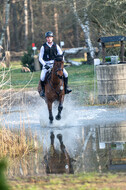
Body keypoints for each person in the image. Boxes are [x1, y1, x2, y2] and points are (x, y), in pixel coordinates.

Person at [39, 31, 72, 97]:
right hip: (47, 64)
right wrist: (45, 65)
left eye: (50, 37)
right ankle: (43, 91)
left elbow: (61, 55)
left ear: (52, 38)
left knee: (66, 74)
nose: (49, 39)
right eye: (48, 37)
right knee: (42, 77)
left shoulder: (56, 46)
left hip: (55, 64)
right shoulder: (43, 47)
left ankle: (66, 88)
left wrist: (61, 62)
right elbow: (40, 58)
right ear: (46, 38)